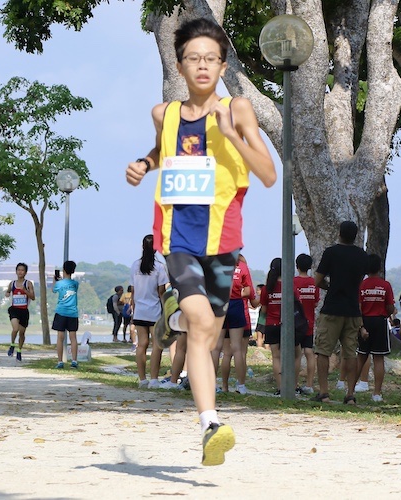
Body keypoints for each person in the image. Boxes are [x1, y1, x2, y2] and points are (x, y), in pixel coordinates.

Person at [125, 17, 276, 466]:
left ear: (223, 65)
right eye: (194, 59)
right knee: (197, 319)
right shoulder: (164, 113)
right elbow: (163, 150)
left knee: (206, 332)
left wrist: (231, 135)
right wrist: (144, 163)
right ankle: (210, 421)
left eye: (211, 59)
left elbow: (268, 174)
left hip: (224, 240)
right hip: (177, 237)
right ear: (180, 65)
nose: (203, 66)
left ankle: (209, 426)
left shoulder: (239, 110)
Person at [313, 221, 368, 405]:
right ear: (355, 236)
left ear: (339, 234)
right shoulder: (362, 255)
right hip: (352, 310)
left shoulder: (331, 252)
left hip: (332, 309)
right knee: (350, 353)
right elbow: (359, 279)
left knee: (323, 351)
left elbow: (318, 280)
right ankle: (350, 394)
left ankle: (324, 392)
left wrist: (328, 286)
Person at [130, 234, 168, 388]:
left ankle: (142, 379)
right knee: (156, 345)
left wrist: (133, 308)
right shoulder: (159, 267)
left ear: (142, 247)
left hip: (140, 310)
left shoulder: (135, 265)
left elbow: (132, 291)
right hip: (155, 311)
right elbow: (161, 292)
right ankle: (154, 379)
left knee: (141, 344)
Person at [212, 253, 254, 394]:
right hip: (236, 305)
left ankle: (213, 384)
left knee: (217, 348)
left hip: (219, 304)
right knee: (237, 349)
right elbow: (248, 290)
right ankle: (241, 386)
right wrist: (237, 291)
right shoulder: (242, 267)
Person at [261, 258, 303, 395]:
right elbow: (298, 304)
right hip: (290, 326)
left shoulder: (267, 288)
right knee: (297, 355)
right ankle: (294, 386)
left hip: (272, 325)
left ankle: (280, 388)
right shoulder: (290, 286)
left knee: (276, 357)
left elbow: (264, 309)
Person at [357, 254, 395, 402]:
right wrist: (387, 312)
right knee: (378, 358)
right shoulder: (385, 285)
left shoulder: (362, 285)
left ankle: (352, 389)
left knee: (361, 357)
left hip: (365, 322)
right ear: (380, 267)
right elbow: (391, 307)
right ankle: (377, 393)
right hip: (380, 322)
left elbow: (358, 307)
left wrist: (361, 327)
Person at [294, 253, 320, 395]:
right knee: (309, 352)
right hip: (309, 322)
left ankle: (294, 384)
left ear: (297, 266)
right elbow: (316, 302)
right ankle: (309, 384)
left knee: (296, 354)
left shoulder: (292, 282)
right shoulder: (314, 283)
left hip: (296, 323)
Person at [5, 263, 35, 362]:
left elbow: (33, 297)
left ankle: (19, 350)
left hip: (24, 311)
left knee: (22, 333)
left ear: (25, 272)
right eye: (18, 270)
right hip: (14, 309)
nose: (20, 272)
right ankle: (12, 344)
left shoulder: (28, 283)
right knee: (15, 328)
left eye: (22, 270)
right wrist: (7, 293)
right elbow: (8, 291)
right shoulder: (12, 283)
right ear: (16, 271)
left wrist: (25, 291)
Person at [52, 261, 79, 369]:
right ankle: (74, 360)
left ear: (63, 270)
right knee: (73, 338)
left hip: (61, 312)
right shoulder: (75, 284)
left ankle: (60, 361)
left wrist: (55, 280)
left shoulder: (59, 284)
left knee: (60, 338)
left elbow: (53, 290)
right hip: (73, 313)